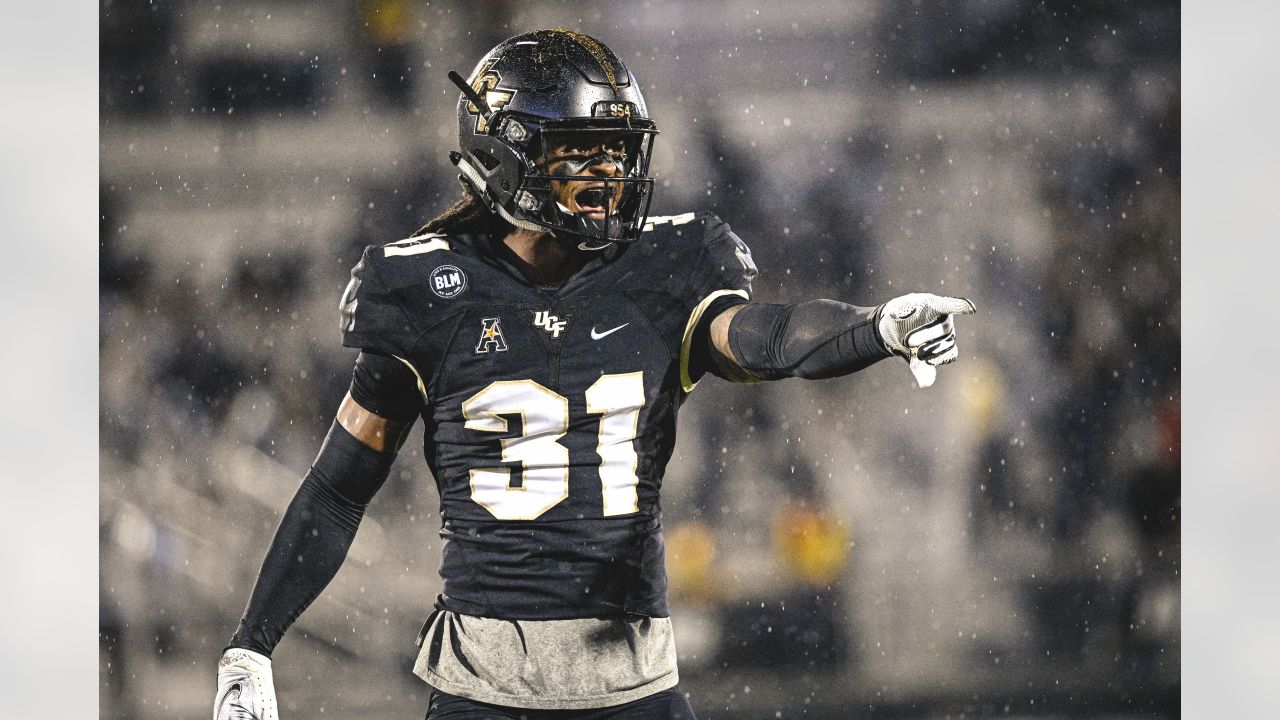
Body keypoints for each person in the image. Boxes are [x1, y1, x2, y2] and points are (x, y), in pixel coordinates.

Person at [213, 29, 975, 720]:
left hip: (633, 690)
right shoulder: (426, 290)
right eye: (582, 148)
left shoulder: (663, 268)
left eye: (618, 148)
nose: (609, 170)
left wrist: (873, 327)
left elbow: (761, 335)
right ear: (506, 150)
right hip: (486, 694)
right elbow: (340, 487)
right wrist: (252, 645)